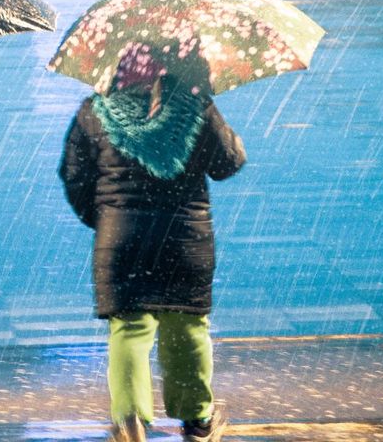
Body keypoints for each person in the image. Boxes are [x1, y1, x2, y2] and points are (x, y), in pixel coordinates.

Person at [59, 49, 246, 442]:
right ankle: (196, 420)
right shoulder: (195, 107)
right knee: (187, 327)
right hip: (185, 239)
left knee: (129, 329)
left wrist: (106, 220)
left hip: (122, 242)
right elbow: (228, 163)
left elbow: (74, 177)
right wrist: (222, 124)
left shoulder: (94, 112)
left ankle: (129, 420)